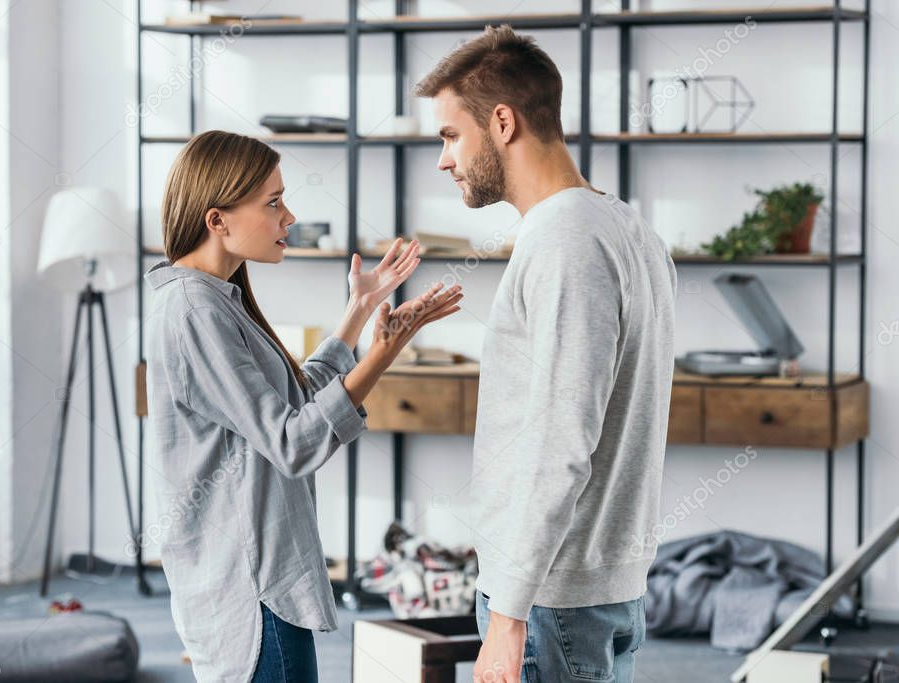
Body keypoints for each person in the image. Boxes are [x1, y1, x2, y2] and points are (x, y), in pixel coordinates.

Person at [144, 130, 463, 682]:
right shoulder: (195, 310)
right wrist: (381, 356)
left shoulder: (215, 300)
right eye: (273, 202)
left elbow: (293, 402)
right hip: (253, 595)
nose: (288, 217)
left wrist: (359, 312)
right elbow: (294, 443)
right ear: (217, 220)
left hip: (262, 587)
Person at [416, 25, 677, 683]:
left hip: (550, 601)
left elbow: (561, 441)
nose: (444, 160)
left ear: (501, 122)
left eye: (450, 135)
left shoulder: (565, 242)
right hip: (595, 587)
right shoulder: (628, 229)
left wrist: (507, 614)